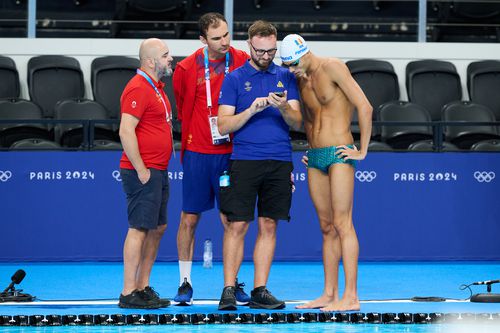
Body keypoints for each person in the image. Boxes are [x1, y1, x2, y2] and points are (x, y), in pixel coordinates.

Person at [280, 34, 373, 312]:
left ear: (305, 53)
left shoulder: (332, 66)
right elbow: (304, 120)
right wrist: (284, 107)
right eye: (287, 65)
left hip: (339, 153)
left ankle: (351, 296)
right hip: (316, 156)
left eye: (293, 63)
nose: (291, 69)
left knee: (343, 224)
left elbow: (364, 106)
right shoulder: (299, 78)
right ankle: (329, 294)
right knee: (326, 228)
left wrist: (362, 149)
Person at [216, 20, 302, 310]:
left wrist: (283, 107)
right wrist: (252, 109)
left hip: (279, 160)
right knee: (237, 225)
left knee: (269, 225)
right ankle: (229, 289)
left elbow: (298, 122)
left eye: (271, 51)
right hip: (244, 160)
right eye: (261, 51)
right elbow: (224, 124)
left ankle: (259, 290)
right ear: (249, 46)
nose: (266, 57)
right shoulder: (234, 79)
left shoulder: (287, 77)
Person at [172, 12, 250, 305]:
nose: (224, 42)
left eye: (227, 35)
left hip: (232, 154)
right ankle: (184, 282)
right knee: (189, 218)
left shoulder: (242, 59)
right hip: (197, 154)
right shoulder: (185, 67)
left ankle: (232, 283)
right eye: (216, 38)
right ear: (202, 39)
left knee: (232, 220)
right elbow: (182, 109)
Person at [118, 38, 174, 309]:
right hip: (143, 171)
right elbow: (125, 131)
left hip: (158, 170)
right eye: (165, 55)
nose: (170, 59)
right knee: (139, 228)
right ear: (150, 61)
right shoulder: (138, 87)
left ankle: (142, 286)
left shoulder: (158, 88)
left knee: (158, 227)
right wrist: (141, 169)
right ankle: (128, 292)